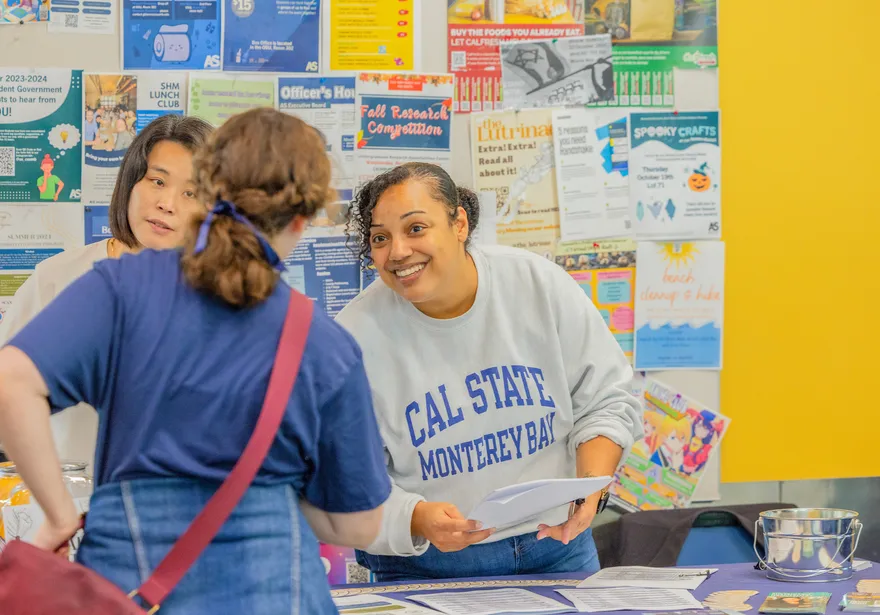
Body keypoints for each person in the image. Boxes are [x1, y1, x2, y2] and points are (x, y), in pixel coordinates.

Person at [0, 108, 391, 612]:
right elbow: (360, 524)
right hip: (275, 595)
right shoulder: (324, 342)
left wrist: (58, 517)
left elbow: (11, 383)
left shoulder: (124, 289)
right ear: (300, 221)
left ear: (208, 193)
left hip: (128, 587)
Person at [337, 162, 643, 581]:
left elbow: (606, 400)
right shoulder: (352, 340)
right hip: (429, 566)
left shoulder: (537, 284)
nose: (398, 252)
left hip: (558, 546)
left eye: (415, 228)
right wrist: (418, 518)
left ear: (459, 223)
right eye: (380, 238)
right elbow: (348, 481)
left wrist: (591, 486)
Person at [0, 114, 214, 470]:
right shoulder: (57, 277)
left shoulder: (219, 295)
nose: (168, 203)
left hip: (175, 493)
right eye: (157, 181)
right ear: (130, 182)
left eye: (191, 192)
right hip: (65, 491)